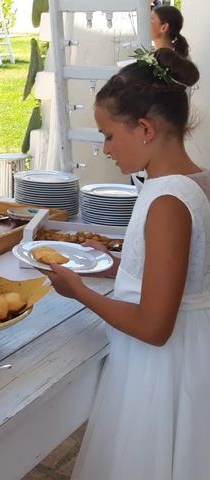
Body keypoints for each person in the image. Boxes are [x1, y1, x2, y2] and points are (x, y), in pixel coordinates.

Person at [45, 49, 208, 479]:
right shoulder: (199, 181)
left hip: (165, 369)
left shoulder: (168, 200)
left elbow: (155, 327)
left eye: (110, 135)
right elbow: (186, 271)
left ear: (146, 129)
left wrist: (78, 291)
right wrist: (114, 263)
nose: (106, 149)